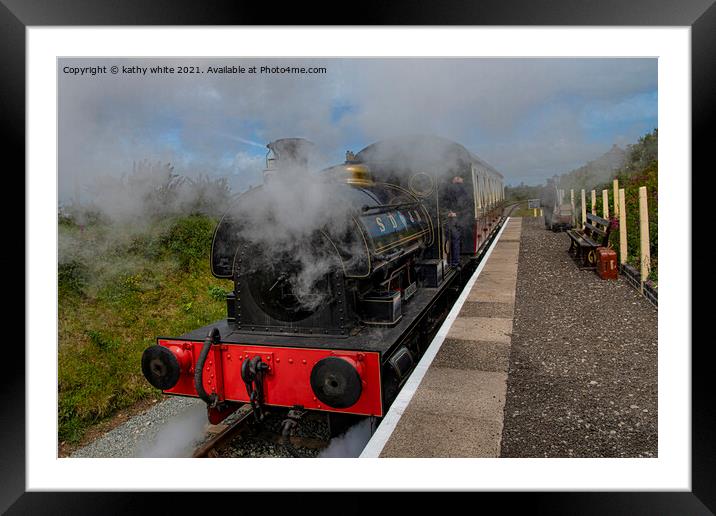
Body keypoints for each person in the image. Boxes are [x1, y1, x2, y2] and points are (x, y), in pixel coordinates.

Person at [443, 175, 471, 267]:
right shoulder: (453, 189)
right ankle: (453, 261)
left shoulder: (462, 191)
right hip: (454, 219)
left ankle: (455, 261)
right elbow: (447, 202)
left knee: (455, 239)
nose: (454, 179)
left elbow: (467, 207)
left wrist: (455, 214)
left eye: (456, 177)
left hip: (459, 219)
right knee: (453, 239)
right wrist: (449, 212)